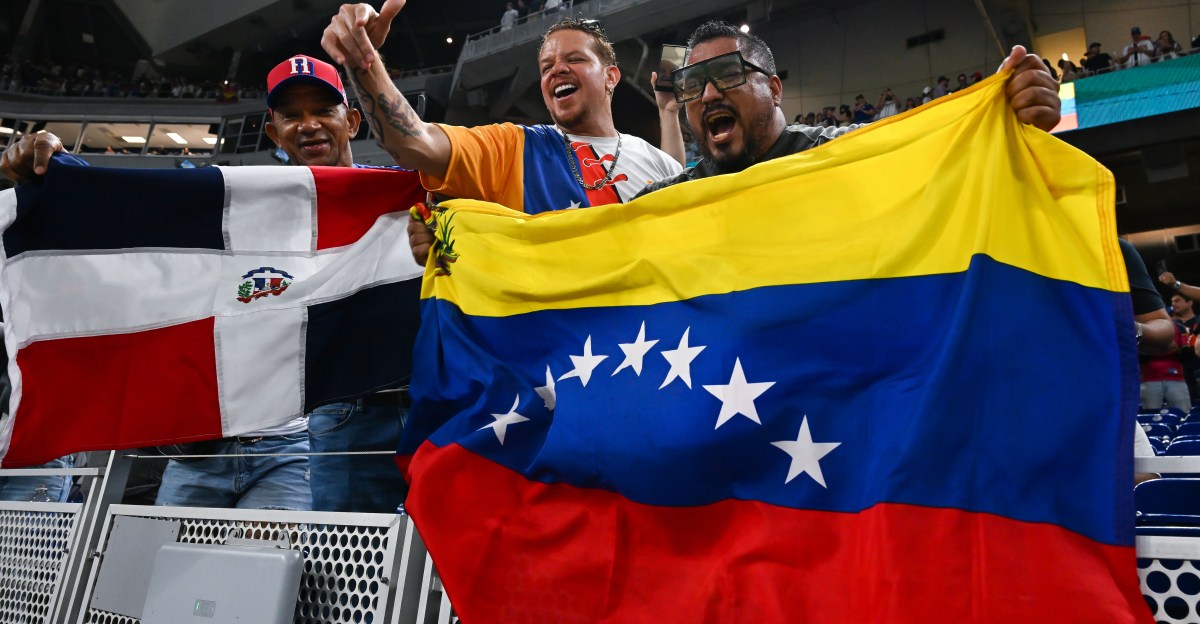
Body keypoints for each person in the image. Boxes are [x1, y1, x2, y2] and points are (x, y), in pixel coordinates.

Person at [0, 56, 412, 513]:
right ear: (273, 133)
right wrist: (61, 173)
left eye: (323, 110)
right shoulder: (241, 209)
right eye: (292, 115)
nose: (309, 125)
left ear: (351, 121)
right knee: (164, 575)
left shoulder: (394, 205)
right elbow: (143, 222)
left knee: (271, 576)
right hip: (202, 450)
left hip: (300, 449)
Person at [321, 1, 682, 264]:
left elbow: (684, 209)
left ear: (611, 77)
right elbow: (413, 143)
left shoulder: (651, 158)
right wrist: (362, 63)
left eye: (575, 60)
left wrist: (668, 112)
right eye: (546, 66)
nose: (556, 70)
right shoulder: (515, 147)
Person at [636, 20, 1062, 197]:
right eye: (693, 84)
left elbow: (950, 164)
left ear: (775, 89)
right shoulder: (669, 202)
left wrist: (1009, 126)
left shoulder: (843, 155)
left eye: (728, 73)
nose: (708, 94)